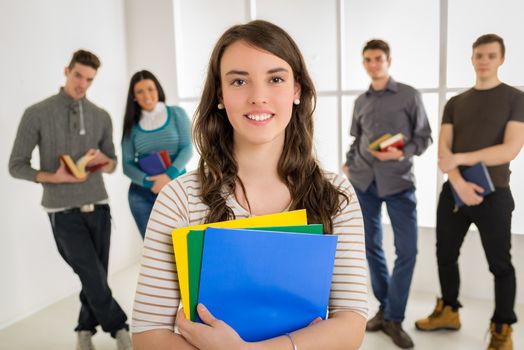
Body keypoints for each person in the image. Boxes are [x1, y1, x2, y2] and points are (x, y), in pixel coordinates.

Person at [130, 20, 368, 350]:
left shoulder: (335, 195)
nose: (258, 97)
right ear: (220, 95)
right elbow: (148, 335)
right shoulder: (179, 199)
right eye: (239, 80)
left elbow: (352, 322)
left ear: (296, 90)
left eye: (275, 79)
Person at [8, 50, 131, 350]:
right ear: (67, 71)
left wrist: (105, 160)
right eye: (78, 75)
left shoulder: (101, 116)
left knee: (94, 278)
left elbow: (114, 163)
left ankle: (84, 331)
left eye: (89, 79)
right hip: (61, 212)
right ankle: (120, 329)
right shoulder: (37, 113)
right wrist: (55, 177)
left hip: (99, 207)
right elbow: (16, 165)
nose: (82, 84)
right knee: (92, 274)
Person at [415, 34, 524, 350]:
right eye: (479, 55)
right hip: (454, 193)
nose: (484, 60)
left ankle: (502, 327)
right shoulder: (455, 103)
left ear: (501, 59)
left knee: (500, 264)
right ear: (472, 58)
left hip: (495, 195)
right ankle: (449, 310)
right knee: (445, 254)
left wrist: (461, 159)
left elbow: (509, 150)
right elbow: (443, 152)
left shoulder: (515, 99)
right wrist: (459, 184)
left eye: (491, 55)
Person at [343, 39, 432, 348]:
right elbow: (357, 140)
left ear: (388, 60)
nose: (373, 64)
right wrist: (348, 164)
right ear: (364, 63)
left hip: (399, 184)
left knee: (408, 251)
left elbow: (424, 139)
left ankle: (394, 317)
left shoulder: (410, 95)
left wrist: (399, 153)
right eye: (368, 59)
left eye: (378, 58)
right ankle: (385, 309)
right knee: (371, 247)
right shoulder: (360, 101)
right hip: (364, 183)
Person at [122, 70, 192, 239]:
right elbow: (127, 164)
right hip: (142, 194)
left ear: (158, 90)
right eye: (140, 91)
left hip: (176, 188)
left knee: (182, 245)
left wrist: (167, 177)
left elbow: (187, 148)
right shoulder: (131, 125)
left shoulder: (176, 113)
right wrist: (148, 183)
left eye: (150, 89)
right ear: (134, 97)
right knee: (153, 250)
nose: (146, 95)